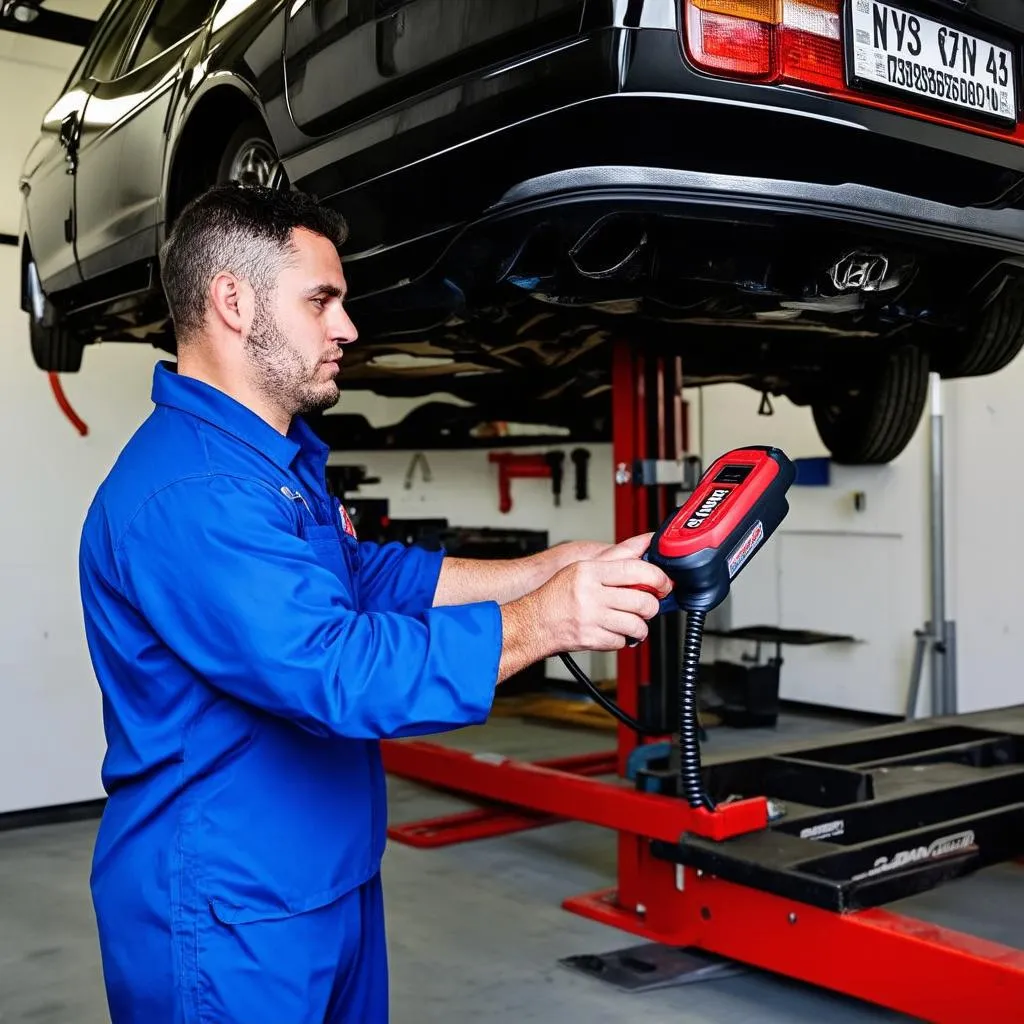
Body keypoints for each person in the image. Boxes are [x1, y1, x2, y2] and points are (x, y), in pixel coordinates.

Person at [78, 183, 671, 1023]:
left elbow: (370, 580)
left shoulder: (265, 466)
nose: (348, 327)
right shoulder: (193, 491)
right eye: (322, 299)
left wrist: (541, 571)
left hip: (320, 883)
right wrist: (547, 621)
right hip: (226, 914)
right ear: (234, 301)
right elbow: (335, 668)